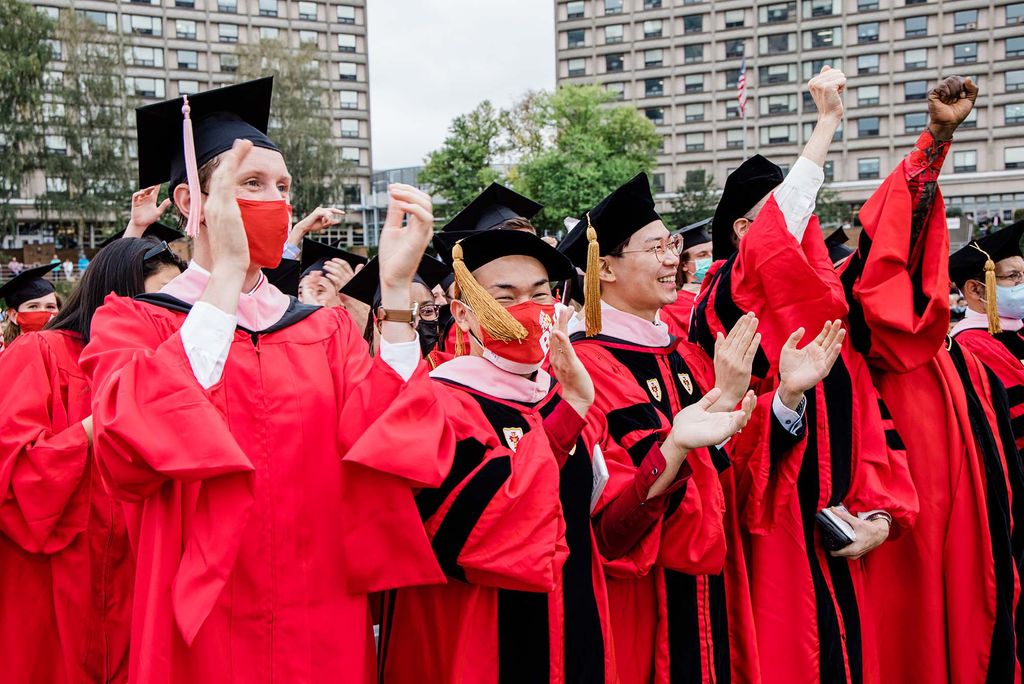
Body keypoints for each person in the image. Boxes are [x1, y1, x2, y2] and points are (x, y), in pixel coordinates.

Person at [79, 77, 447, 683]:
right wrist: (224, 276)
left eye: (283, 188)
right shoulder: (133, 322)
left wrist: (399, 293)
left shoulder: (321, 330)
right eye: (251, 185)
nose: (275, 201)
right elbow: (126, 447)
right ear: (192, 201)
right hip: (197, 619)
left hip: (320, 609)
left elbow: (395, 440)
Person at [378, 227, 756, 682]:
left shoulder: (566, 395)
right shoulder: (449, 402)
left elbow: (612, 535)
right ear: (463, 313)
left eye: (540, 293)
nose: (530, 308)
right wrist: (568, 413)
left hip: (578, 623)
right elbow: (482, 527)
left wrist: (673, 448)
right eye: (507, 295)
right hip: (483, 638)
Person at [558, 172, 844, 684]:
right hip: (645, 595)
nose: (676, 259)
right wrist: (710, 413)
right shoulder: (591, 364)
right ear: (605, 269)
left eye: (672, 245)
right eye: (657, 248)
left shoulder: (687, 353)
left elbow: (736, 470)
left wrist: (787, 396)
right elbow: (619, 517)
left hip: (713, 584)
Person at [690, 67, 919, 684]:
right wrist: (825, 127)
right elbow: (778, 232)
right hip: (772, 527)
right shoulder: (724, 301)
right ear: (744, 233)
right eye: (792, 220)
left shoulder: (824, 332)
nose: (806, 232)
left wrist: (880, 517)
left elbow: (873, 429)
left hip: (838, 532)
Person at [839, 71, 1023, 683]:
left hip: (968, 529)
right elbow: (889, 244)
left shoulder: (962, 359)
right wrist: (934, 143)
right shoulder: (876, 341)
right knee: (914, 642)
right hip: (907, 525)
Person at [0, 237, 184, 683]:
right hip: (58, 577)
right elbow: (16, 472)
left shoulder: (169, 366)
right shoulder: (40, 352)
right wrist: (106, 418)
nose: (173, 316)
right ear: (118, 296)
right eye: (160, 299)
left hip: (133, 575)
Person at [949, 220, 1024, 450]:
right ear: (975, 289)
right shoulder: (972, 343)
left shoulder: (1016, 330)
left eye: (1023, 274)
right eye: (1013, 276)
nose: (1021, 283)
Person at [339, 253, 450, 364]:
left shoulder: (449, 370)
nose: (418, 321)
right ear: (381, 325)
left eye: (427, 311)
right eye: (406, 313)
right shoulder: (364, 374)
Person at [660, 216, 712, 336]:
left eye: (712, 253)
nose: (711, 259)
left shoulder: (721, 290)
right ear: (684, 264)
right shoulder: (674, 304)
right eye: (702, 255)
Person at [0, 263, 61, 351]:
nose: (43, 312)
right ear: (13, 315)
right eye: (33, 306)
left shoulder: (70, 349)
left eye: (50, 307)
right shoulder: (4, 353)